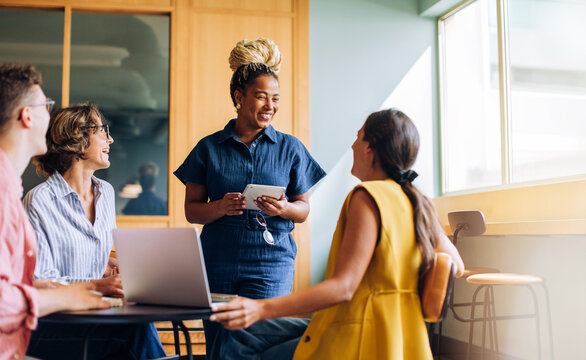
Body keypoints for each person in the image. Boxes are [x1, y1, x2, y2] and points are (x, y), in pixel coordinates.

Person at [208, 108, 466, 360]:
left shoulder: (367, 197)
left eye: (358, 136)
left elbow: (343, 288)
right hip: (400, 336)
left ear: (369, 147)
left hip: (357, 333)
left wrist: (259, 308)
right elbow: (455, 264)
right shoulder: (416, 201)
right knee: (240, 333)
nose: (352, 145)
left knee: (237, 339)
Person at [174, 38, 326, 354]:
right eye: (261, 97)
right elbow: (192, 210)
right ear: (239, 97)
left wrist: (284, 208)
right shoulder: (208, 147)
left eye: (275, 98)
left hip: (271, 263)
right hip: (218, 261)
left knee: (259, 343)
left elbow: (304, 208)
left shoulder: (291, 148)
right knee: (219, 346)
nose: (270, 105)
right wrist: (219, 207)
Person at [22, 103, 166, 360]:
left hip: (99, 316)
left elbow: (94, 258)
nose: (110, 138)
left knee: (140, 324)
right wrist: (100, 285)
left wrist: (120, 268)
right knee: (137, 331)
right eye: (102, 131)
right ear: (77, 137)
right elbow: (41, 282)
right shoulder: (40, 200)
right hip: (56, 324)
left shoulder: (107, 193)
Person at [0, 64, 109, 360]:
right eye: (47, 106)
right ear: (27, 115)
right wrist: (69, 294)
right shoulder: (10, 194)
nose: (51, 117)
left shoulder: (10, 188)